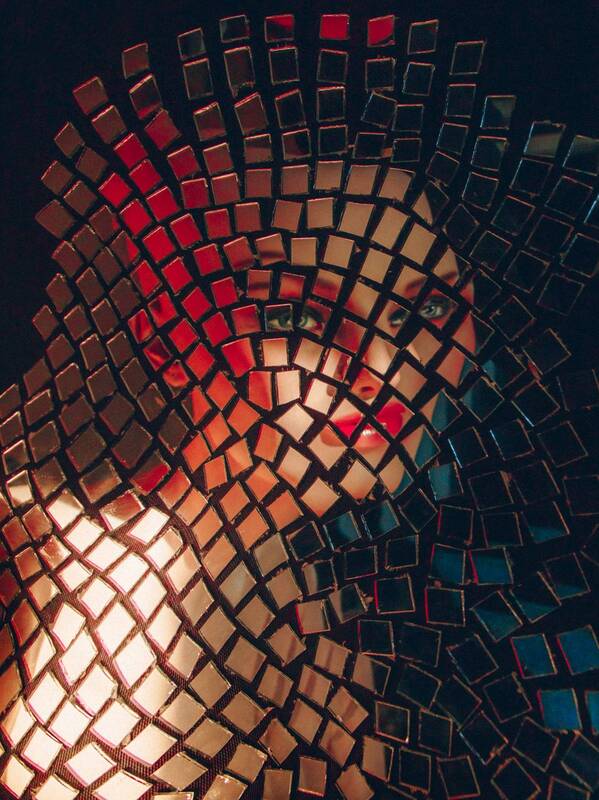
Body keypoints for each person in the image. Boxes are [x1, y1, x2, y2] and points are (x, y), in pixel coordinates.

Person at [0, 10, 598, 800]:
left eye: (420, 312)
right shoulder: (70, 584)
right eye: (297, 319)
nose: (379, 368)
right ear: (166, 332)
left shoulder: (332, 607)